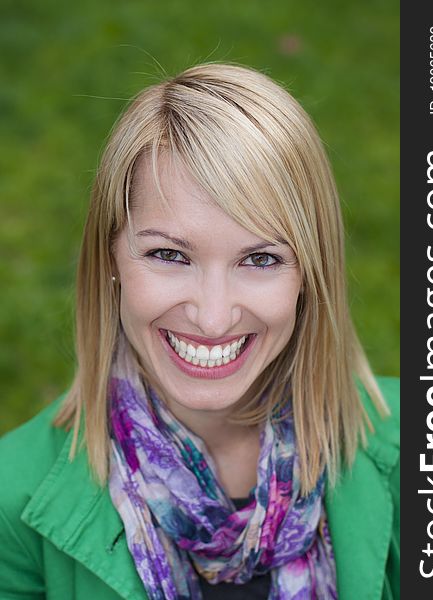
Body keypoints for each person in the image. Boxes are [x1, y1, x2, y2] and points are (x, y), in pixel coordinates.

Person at [0, 63, 399, 599]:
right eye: (169, 255)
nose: (213, 318)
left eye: (259, 259)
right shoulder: (12, 501)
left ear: (310, 273)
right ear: (111, 256)